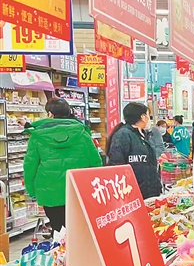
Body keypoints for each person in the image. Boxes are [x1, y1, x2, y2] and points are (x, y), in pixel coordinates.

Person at [23, 98, 102, 231]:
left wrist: (31, 191)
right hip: (79, 191)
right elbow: (96, 163)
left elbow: (30, 166)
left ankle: (59, 242)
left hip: (49, 192)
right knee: (78, 230)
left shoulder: (36, 137)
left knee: (58, 228)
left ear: (50, 114)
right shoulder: (83, 134)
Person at [106, 102, 162, 199]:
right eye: (148, 115)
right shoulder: (123, 135)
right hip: (133, 192)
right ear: (143, 117)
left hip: (149, 191)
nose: (149, 119)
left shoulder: (144, 135)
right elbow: (116, 164)